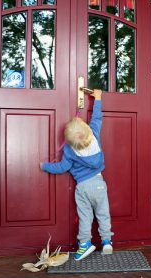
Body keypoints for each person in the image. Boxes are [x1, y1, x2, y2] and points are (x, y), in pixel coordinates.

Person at [40, 89, 113, 261]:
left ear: (69, 140)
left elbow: (62, 167)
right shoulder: (94, 134)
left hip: (82, 187)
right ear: (87, 130)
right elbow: (97, 118)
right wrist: (99, 99)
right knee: (103, 213)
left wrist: (44, 166)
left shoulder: (69, 150)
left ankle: (84, 244)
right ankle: (107, 241)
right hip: (98, 183)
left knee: (85, 216)